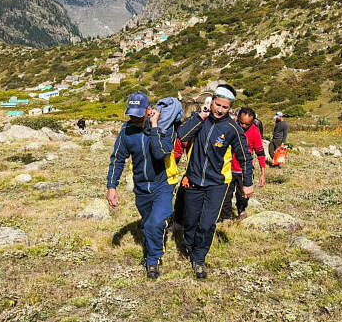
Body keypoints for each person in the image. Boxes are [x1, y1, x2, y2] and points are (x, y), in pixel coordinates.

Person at [177, 84, 254, 279]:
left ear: (230, 108)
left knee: (207, 223)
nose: (220, 110)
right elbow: (182, 135)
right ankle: (189, 246)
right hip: (193, 180)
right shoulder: (200, 120)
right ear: (211, 103)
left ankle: (199, 258)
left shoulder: (232, 129)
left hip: (216, 184)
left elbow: (245, 156)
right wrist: (199, 116)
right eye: (217, 105)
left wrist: (247, 182)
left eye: (225, 107)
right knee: (191, 222)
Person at [106, 92, 179, 279]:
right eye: (132, 114)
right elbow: (117, 159)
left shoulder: (164, 126)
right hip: (141, 187)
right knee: (148, 225)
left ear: (149, 110)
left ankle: (153, 260)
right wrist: (111, 187)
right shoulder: (126, 131)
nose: (135, 118)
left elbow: (160, 153)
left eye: (139, 114)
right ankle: (156, 243)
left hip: (162, 184)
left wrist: (154, 126)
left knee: (154, 223)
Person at [220, 107, 266, 222]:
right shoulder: (231, 128)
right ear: (238, 118)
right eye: (241, 123)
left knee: (242, 195)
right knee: (226, 194)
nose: (244, 126)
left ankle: (241, 211)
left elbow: (260, 152)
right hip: (228, 168)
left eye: (247, 124)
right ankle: (226, 217)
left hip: (244, 170)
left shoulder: (255, 131)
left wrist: (263, 173)